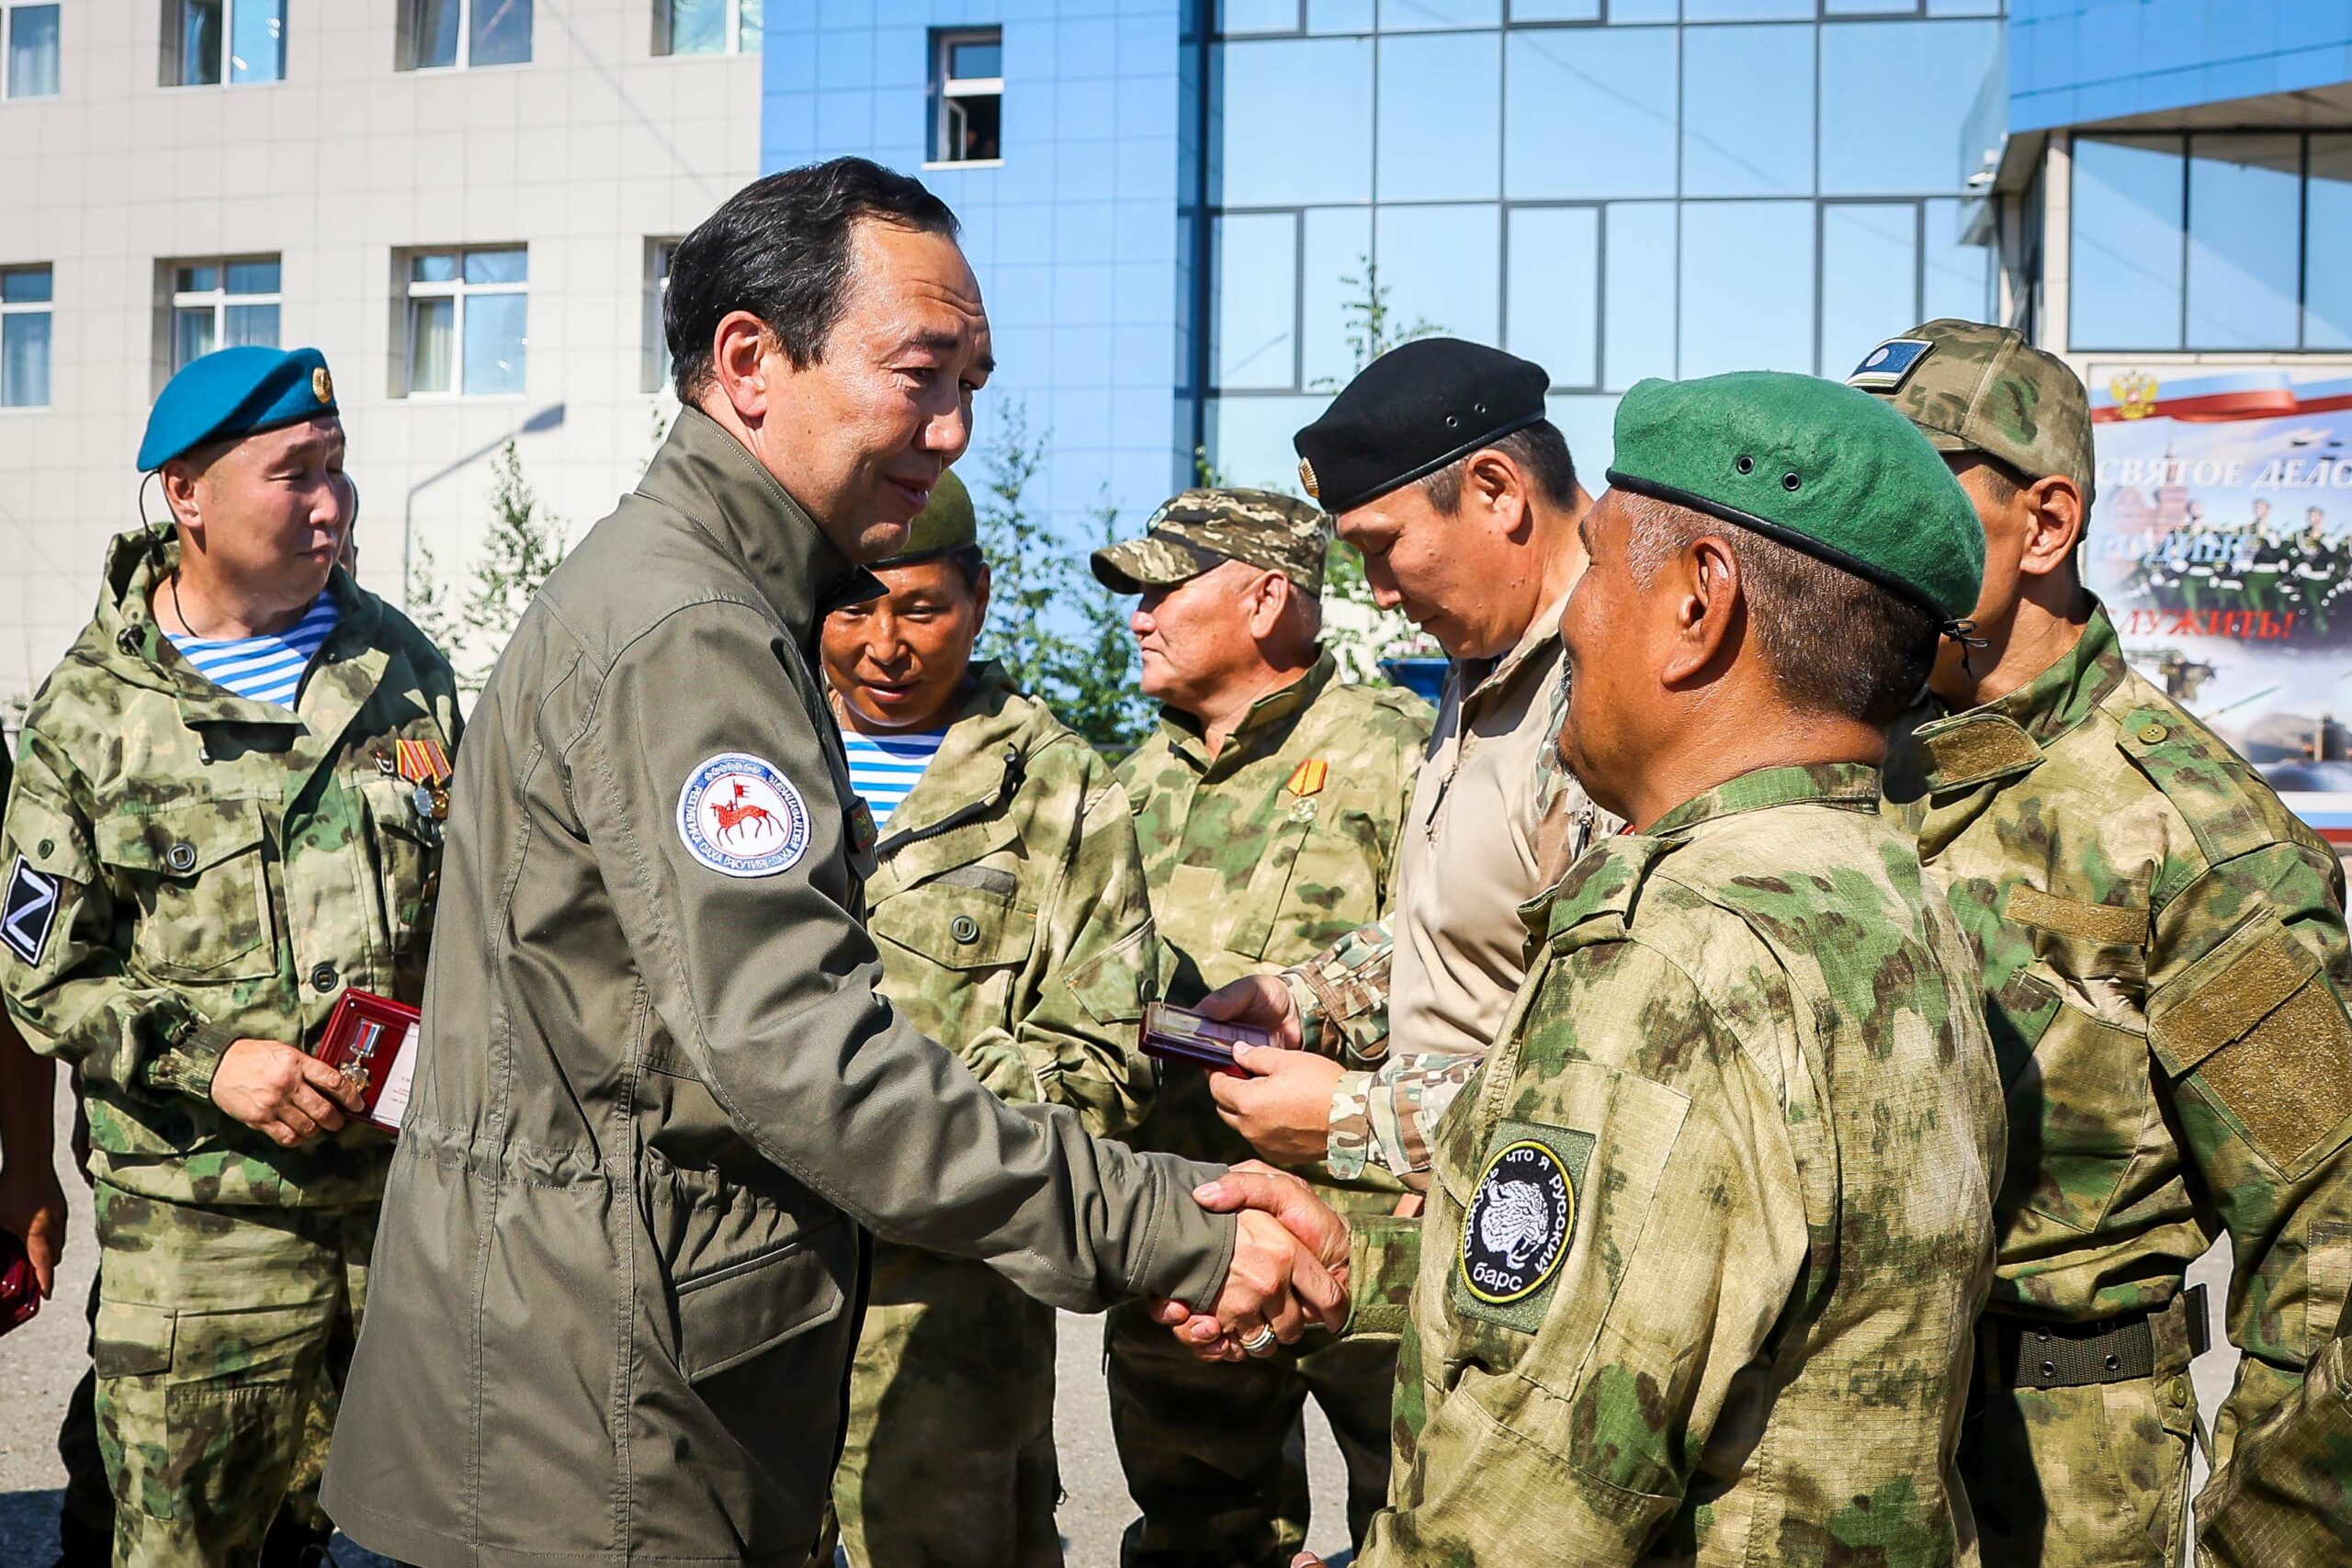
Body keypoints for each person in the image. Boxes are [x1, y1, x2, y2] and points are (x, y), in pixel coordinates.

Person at [320, 157, 1348, 1568]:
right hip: (600, 1435)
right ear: (751, 360)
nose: (954, 430)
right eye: (922, 373)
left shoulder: (700, 594)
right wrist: (1170, 1222)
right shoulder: (695, 631)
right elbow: (801, 1051)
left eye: (973, 382)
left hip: (595, 1386)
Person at [1193, 368, 2007, 1565]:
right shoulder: (1897, 894)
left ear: (1699, 603)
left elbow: (1535, 1501)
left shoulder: (1672, 960)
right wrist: (1357, 1267)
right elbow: (1693, 1282)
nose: (1576, 614)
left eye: (1607, 564)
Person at [1860, 318, 2352, 1567]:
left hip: (2062, 1480)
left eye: (1910, 491)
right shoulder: (1840, 768)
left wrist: (2267, 1542)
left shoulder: (2191, 830)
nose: (1867, 536)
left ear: (2046, 522)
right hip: (1843, 1461)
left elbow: (2328, 1248)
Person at [0, 344, 460, 1568]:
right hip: (203, 1235)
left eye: (339, 470)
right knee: (178, 1542)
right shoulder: (90, 713)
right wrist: (214, 1060)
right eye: (293, 473)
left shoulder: (402, 672)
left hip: (392, 1222)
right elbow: (41, 967)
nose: (331, 503)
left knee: (337, 1534)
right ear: (188, 494)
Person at [817, 468, 1162, 1567]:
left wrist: (910, 1119)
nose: (883, 644)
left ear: (977, 596)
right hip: (750, 1292)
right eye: (851, 605)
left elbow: (1107, 1056)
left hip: (950, 1322)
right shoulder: (753, 752)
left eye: (919, 608)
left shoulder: (1054, 787)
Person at [1090, 487, 1432, 1566]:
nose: (1138, 616)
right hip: (1185, 1243)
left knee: (1423, 1523)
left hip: (1373, 1243)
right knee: (1199, 1535)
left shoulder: (1403, 751)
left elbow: (1465, 973)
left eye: (1162, 588)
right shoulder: (1121, 787)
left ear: (1265, 597)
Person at [1197, 339, 1606, 1190]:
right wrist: (1309, 1004)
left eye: (1385, 546)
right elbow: (1473, 929)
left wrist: (1350, 1114)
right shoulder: (1485, 655)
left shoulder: (1613, 687)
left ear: (1497, 492)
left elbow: (1602, 1061)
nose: (1379, 590)